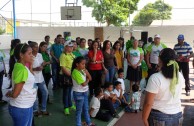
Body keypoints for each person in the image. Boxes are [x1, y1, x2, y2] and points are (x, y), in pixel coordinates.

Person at [142, 48, 184, 126]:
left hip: (159, 117)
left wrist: (144, 119)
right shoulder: (179, 75)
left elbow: (148, 103)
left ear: (159, 60)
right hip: (177, 116)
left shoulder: (155, 78)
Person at [6, 43, 37, 126]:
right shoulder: (22, 69)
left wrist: (31, 65)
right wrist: (11, 93)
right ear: (21, 55)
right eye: (29, 53)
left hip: (25, 105)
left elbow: (30, 77)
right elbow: (15, 94)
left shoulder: (20, 66)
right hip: (22, 107)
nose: (32, 55)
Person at [71, 56, 95, 126]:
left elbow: (90, 78)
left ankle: (89, 123)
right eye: (82, 64)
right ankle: (79, 124)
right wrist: (87, 79)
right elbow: (84, 84)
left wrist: (87, 73)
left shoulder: (82, 70)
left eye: (84, 64)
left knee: (86, 109)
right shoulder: (75, 72)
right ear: (77, 64)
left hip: (84, 92)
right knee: (79, 111)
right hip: (79, 93)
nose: (84, 65)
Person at [29, 42, 50, 116]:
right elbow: (28, 69)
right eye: (35, 47)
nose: (37, 48)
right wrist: (35, 69)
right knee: (35, 96)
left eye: (37, 46)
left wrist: (43, 65)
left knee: (45, 92)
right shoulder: (29, 57)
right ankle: (35, 110)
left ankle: (43, 109)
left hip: (40, 78)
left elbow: (41, 63)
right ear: (31, 48)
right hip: (33, 79)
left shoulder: (39, 55)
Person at [59, 40, 76, 115]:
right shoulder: (63, 55)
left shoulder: (72, 54)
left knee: (69, 91)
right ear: (66, 47)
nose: (72, 48)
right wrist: (70, 75)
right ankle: (66, 107)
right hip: (66, 76)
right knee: (66, 92)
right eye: (70, 46)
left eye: (72, 46)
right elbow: (63, 67)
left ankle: (70, 104)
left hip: (71, 75)